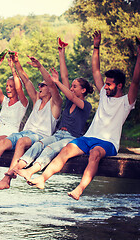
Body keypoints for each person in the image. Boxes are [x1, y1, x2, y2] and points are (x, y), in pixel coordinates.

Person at [28, 31, 140, 200]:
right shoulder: (103, 94)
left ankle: (79, 189)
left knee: (95, 153)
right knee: (66, 150)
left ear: (119, 86)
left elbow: (136, 80)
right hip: (88, 138)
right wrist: (96, 46)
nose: (106, 86)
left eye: (109, 84)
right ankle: (43, 178)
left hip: (107, 143)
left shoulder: (127, 101)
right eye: (106, 83)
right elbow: (96, 70)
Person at [0, 53, 62, 190]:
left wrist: (40, 67)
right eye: (39, 85)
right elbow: (26, 81)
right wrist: (15, 63)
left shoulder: (55, 103)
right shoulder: (36, 99)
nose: (39, 87)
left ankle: (7, 179)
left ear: (51, 90)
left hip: (40, 136)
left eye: (42, 85)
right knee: (4, 142)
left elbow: (52, 85)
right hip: (25, 133)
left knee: (21, 142)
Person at [9, 41, 93, 181]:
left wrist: (56, 81)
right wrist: (61, 53)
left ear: (83, 90)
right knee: (38, 144)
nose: (71, 88)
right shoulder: (69, 102)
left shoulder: (86, 106)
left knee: (50, 149)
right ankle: (15, 169)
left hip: (71, 138)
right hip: (58, 134)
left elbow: (65, 90)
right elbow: (64, 77)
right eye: (71, 86)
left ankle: (30, 171)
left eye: (75, 86)